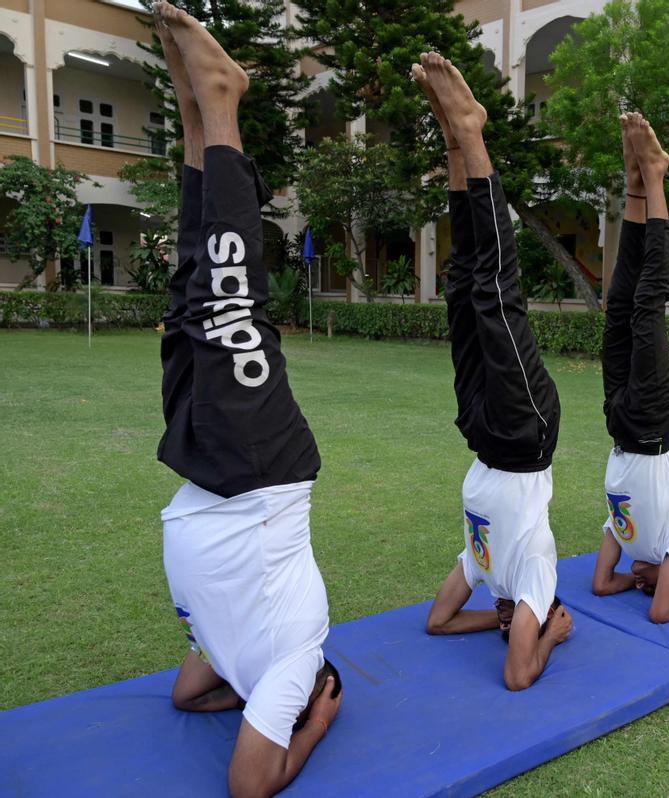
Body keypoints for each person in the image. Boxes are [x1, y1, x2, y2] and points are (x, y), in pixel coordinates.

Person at [152, 5, 339, 796]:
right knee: (231, 305)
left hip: (208, 470)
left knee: (194, 298)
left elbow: (189, 693)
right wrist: (319, 717)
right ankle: (223, 97)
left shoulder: (245, 663)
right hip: (259, 471)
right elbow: (251, 784)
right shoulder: (300, 659)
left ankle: (195, 110)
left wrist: (233, 677)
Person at [414, 53, 573, 690]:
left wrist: (492, 617)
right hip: (525, 436)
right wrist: (550, 634)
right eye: (524, 625)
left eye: (513, 627)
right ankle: (473, 133)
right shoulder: (537, 575)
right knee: (496, 297)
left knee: (460, 294)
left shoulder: (482, 571)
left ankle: (454, 141)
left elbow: (437, 622)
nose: (514, 624)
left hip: (481, 438)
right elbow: (516, 678)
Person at [590, 112, 669, 623]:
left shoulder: (623, 537)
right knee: (649, 300)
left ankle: (634, 187)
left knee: (620, 302)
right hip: (651, 425)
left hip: (618, 419)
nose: (653, 582)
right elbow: (658, 615)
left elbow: (602, 584)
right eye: (665, 580)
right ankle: (656, 175)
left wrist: (633, 575)